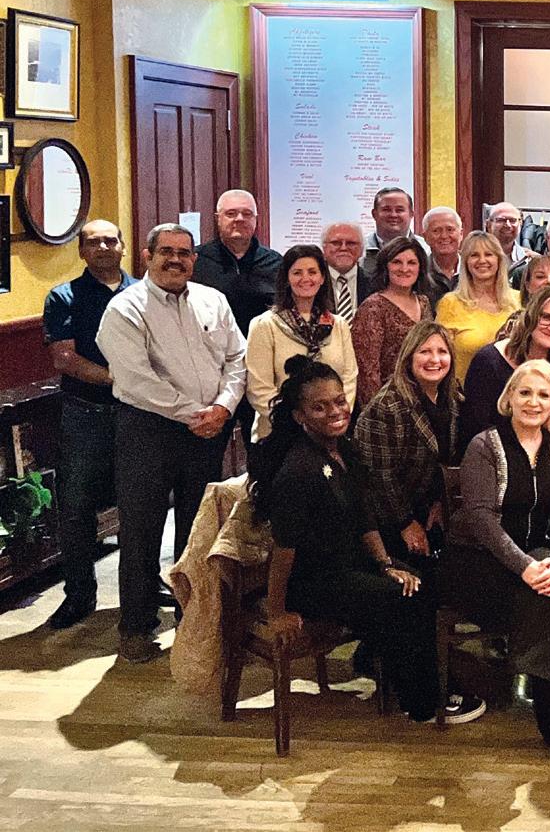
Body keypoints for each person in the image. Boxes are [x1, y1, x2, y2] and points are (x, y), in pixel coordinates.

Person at [251, 358, 481, 726]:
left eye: (339, 401)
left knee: (419, 577)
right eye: (320, 407)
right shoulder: (299, 470)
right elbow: (284, 551)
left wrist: (386, 564)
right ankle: (423, 702)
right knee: (403, 598)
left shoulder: (343, 449)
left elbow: (364, 518)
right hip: (312, 582)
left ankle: (389, 666)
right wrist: (277, 612)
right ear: (299, 416)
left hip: (347, 564)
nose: (335, 411)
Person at [96, 223, 246, 663]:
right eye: (166, 251)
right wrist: (197, 414)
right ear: (147, 256)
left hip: (208, 430)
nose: (175, 259)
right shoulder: (125, 309)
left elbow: (237, 358)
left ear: (194, 259)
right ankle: (136, 626)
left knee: (197, 530)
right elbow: (137, 380)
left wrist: (223, 407)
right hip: (148, 430)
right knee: (141, 530)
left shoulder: (213, 300)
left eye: (184, 252)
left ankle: (193, 620)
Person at [444, 359, 550, 762]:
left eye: (543, 394)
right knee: (546, 599)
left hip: (536, 557)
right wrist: (526, 567)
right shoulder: (484, 446)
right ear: (509, 397)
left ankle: (542, 693)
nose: (533, 402)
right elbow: (482, 519)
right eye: (525, 392)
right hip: (476, 561)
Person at [42, 219, 137, 630]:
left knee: (140, 506)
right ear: (81, 251)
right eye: (93, 242)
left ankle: (142, 586)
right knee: (76, 507)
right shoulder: (63, 297)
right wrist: (119, 378)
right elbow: (64, 358)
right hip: (85, 415)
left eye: (110, 240)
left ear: (122, 247)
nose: (103, 247)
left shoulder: (144, 293)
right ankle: (79, 593)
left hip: (137, 415)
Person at [354, 321, 459, 571]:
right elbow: (379, 477)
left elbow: (445, 460)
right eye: (425, 351)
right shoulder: (387, 406)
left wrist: (440, 502)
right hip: (388, 519)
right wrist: (406, 524)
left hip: (427, 507)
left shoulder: (452, 396)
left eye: (442, 352)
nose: (435, 359)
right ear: (409, 357)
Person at [191, 190, 282, 440]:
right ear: (217, 218)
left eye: (246, 214)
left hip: (261, 375)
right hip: (211, 376)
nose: (239, 219)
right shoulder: (196, 261)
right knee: (206, 451)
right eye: (231, 213)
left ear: (256, 220)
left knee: (263, 451)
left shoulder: (276, 263)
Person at [244, 244, 357, 441]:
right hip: (278, 433)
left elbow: (349, 378)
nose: (305, 278)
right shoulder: (265, 325)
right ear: (286, 279)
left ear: (322, 278)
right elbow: (259, 388)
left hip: (331, 432)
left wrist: (334, 416)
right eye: (297, 273)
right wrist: (297, 422)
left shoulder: (338, 325)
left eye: (312, 272)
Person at [462, 285, 550, 449]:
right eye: (546, 317)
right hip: (489, 451)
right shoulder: (488, 361)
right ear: (531, 316)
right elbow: (475, 425)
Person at [351, 236, 433, 400]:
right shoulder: (373, 307)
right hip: (388, 402)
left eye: (412, 263)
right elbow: (367, 372)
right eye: (397, 262)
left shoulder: (424, 302)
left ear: (420, 267)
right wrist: (377, 409)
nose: (404, 269)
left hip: (423, 397)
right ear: (386, 267)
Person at [436, 231, 519, 384]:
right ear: (466, 262)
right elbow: (439, 355)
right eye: (474, 255)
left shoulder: (519, 300)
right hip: (465, 393)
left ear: (499, 259)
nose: (482, 260)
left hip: (513, 392)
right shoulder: (450, 303)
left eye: (488, 254)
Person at [362, 186, 426, 268]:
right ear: (374, 214)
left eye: (399, 210)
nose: (393, 215)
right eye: (386, 209)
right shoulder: (359, 249)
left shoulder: (426, 249)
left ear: (411, 214)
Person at [322, 222, 371, 323]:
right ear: (324, 248)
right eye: (336, 243)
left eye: (351, 243)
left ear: (362, 249)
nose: (343, 248)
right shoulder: (313, 283)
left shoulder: (377, 283)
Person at [422, 206, 465, 300]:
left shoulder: (473, 269)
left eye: (450, 230)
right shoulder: (419, 272)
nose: (444, 236)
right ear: (425, 237)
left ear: (461, 234)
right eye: (436, 231)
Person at [486, 201, 534, 271]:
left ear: (520, 223)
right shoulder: (476, 259)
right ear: (489, 225)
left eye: (512, 220)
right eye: (501, 220)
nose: (508, 225)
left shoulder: (531, 261)